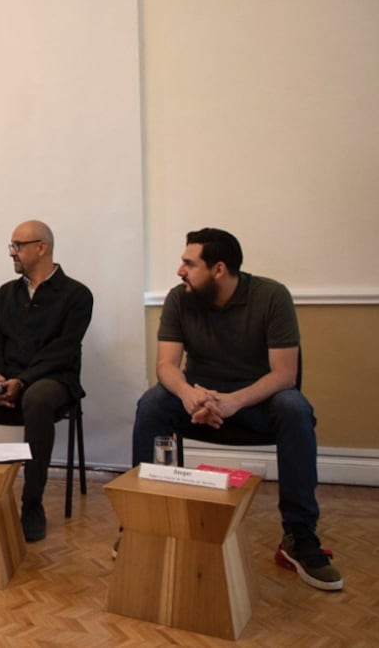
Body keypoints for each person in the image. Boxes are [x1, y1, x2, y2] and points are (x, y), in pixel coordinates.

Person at [131, 228, 342, 591]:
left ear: (218, 269)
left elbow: (285, 375)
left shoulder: (271, 296)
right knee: (152, 404)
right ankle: (143, 525)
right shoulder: (180, 298)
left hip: (256, 403)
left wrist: (233, 402)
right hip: (199, 401)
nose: (180, 271)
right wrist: (188, 395)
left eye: (189, 264)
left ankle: (299, 537)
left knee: (294, 408)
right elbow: (166, 365)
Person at [0, 220, 93, 542]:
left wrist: (21, 381)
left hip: (52, 378)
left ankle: (32, 504)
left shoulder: (77, 295)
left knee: (37, 399)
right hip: (5, 375)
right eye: (11, 246)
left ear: (42, 248)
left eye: (18, 246)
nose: (12, 252)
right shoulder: (5, 293)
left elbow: (63, 350)